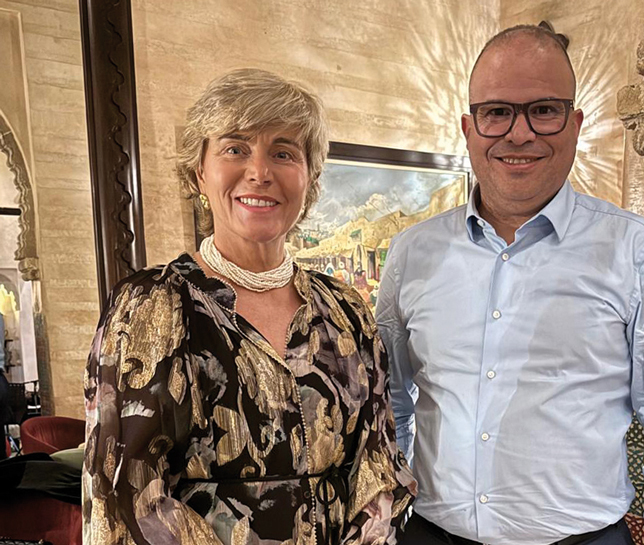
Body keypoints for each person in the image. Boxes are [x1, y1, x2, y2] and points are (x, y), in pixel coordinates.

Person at [376, 24, 644, 545]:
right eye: (497, 112)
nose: (519, 134)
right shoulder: (411, 253)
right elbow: (392, 404)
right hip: (428, 533)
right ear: (468, 128)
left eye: (543, 110)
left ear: (575, 124)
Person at [84, 68, 416, 545]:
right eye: (235, 149)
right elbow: (122, 491)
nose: (260, 172)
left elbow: (379, 463)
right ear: (199, 172)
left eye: (283, 152)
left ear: (309, 178)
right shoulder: (151, 307)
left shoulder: (346, 311)